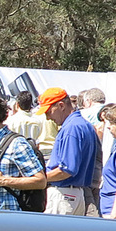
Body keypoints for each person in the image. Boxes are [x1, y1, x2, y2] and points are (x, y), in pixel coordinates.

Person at [41, 86, 96, 215]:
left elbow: (67, 170)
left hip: (64, 195)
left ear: (61, 106)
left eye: (48, 111)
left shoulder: (71, 128)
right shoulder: (84, 124)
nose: (48, 118)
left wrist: (39, 178)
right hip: (76, 194)